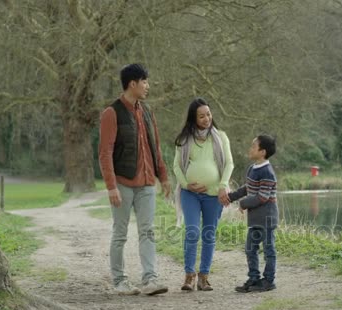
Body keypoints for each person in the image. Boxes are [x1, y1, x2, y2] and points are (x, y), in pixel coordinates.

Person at [98, 63, 171, 296]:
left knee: (147, 231)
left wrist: (164, 176)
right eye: (145, 81)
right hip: (123, 183)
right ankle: (119, 281)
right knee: (120, 233)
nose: (148, 86)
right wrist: (111, 187)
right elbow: (105, 152)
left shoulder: (147, 111)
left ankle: (150, 279)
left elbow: (155, 147)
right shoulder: (112, 113)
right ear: (133, 83)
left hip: (147, 182)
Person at [173, 97, 234, 291]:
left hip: (214, 194)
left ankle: (204, 277)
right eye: (201, 116)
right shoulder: (184, 139)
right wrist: (186, 185)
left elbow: (229, 163)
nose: (206, 118)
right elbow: (176, 165)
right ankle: (189, 275)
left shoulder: (221, 137)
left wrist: (223, 185)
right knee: (192, 231)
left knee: (208, 234)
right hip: (189, 193)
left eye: (208, 114)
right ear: (194, 118)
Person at [228, 135, 278, 292]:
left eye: (253, 146)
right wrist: (231, 197)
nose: (250, 149)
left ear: (262, 152)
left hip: (267, 217)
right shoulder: (252, 169)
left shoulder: (267, 172)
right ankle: (254, 278)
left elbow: (262, 197)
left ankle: (268, 280)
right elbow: (247, 188)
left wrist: (243, 204)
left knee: (269, 249)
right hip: (255, 219)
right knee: (250, 248)